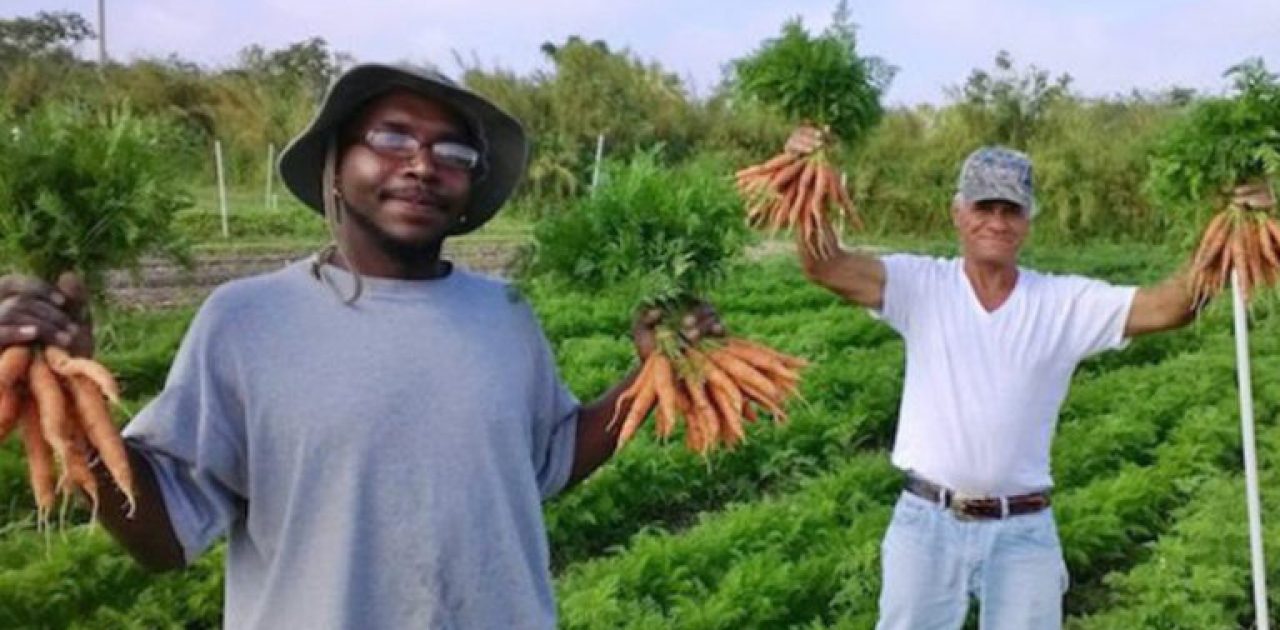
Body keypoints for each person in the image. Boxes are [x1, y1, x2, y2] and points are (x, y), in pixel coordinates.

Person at [0, 63, 721, 629]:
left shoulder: (505, 312)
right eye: (391, 137)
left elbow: (549, 460)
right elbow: (163, 543)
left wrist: (651, 373)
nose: (421, 163)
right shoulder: (245, 320)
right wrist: (72, 403)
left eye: (452, 149)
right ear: (334, 171)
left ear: (469, 189)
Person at [790, 129, 1198, 629]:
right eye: (984, 208)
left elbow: (1171, 306)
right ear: (958, 213)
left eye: (1011, 210)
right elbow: (824, 264)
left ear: (1028, 220)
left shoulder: (1061, 304)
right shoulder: (922, 286)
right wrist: (803, 177)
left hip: (1023, 532)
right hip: (927, 523)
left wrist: (1232, 223)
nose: (997, 222)